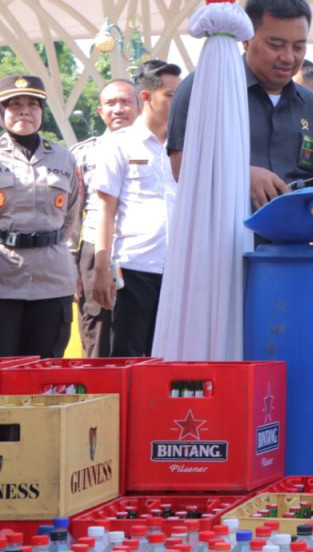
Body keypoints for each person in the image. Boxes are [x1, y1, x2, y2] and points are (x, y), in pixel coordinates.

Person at [168, 0, 313, 209]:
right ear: (246, 40)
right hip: (220, 236)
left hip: (289, 238)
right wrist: (241, 175)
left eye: (298, 47)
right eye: (276, 45)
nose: (288, 57)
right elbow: (181, 168)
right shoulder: (205, 87)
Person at [92, 60, 181, 357]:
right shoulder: (119, 144)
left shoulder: (184, 146)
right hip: (134, 268)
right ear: (146, 97)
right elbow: (106, 209)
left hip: (179, 269)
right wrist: (101, 270)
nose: (177, 103)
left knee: (171, 358)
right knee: (129, 356)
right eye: (170, 96)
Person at [0, 75, 81, 357]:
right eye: (14, 104)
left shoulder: (63, 157)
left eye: (32, 104)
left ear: (42, 113)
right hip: (4, 277)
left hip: (52, 276)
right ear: (2, 112)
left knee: (45, 368)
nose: (24, 110)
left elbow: (71, 215)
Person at [70, 78, 140, 357]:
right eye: (110, 103)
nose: (119, 109)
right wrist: (71, 265)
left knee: (139, 336)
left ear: (139, 105)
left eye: (125, 101)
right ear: (100, 111)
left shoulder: (160, 150)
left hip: (140, 252)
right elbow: (72, 214)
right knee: (97, 334)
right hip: (94, 249)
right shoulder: (82, 153)